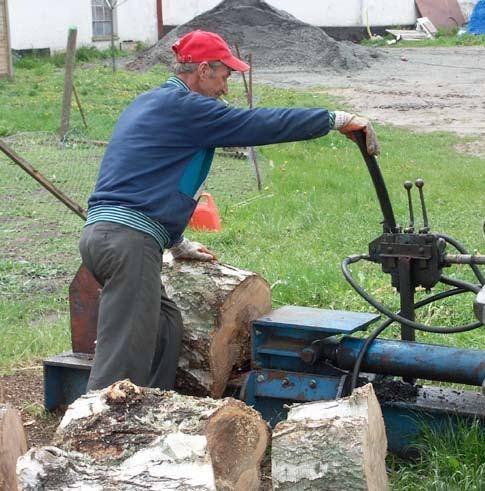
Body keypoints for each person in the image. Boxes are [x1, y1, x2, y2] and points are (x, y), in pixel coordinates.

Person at [79, 30, 380, 391]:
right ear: (204, 70)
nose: (225, 88)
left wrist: (176, 243)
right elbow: (258, 124)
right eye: (224, 76)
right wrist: (334, 119)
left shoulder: (154, 103)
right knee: (121, 361)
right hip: (129, 241)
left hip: (106, 236)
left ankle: (151, 407)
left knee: (165, 326)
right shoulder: (185, 108)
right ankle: (96, 433)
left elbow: (150, 179)